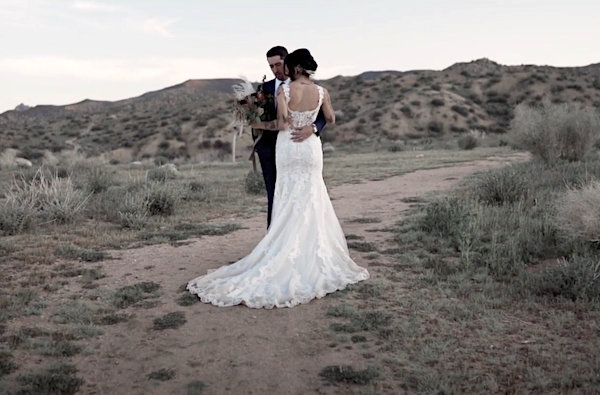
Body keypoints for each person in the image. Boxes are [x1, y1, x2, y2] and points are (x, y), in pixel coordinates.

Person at [186, 48, 370, 309]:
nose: (279, 70)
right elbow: (331, 118)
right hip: (310, 150)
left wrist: (258, 124)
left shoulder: (285, 91)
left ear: (294, 68)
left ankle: (281, 250)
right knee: (311, 195)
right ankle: (313, 254)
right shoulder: (322, 92)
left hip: (287, 149)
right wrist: (312, 127)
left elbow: (282, 123)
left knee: (288, 196)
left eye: (283, 65)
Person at [251, 46, 327, 229]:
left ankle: (304, 237)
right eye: (271, 66)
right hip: (271, 150)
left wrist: (314, 127)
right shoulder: (264, 88)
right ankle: (274, 239)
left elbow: (324, 117)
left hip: (301, 146)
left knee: (305, 193)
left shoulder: (311, 87)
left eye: (278, 64)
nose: (275, 70)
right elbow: (254, 114)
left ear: (288, 62)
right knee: (276, 195)